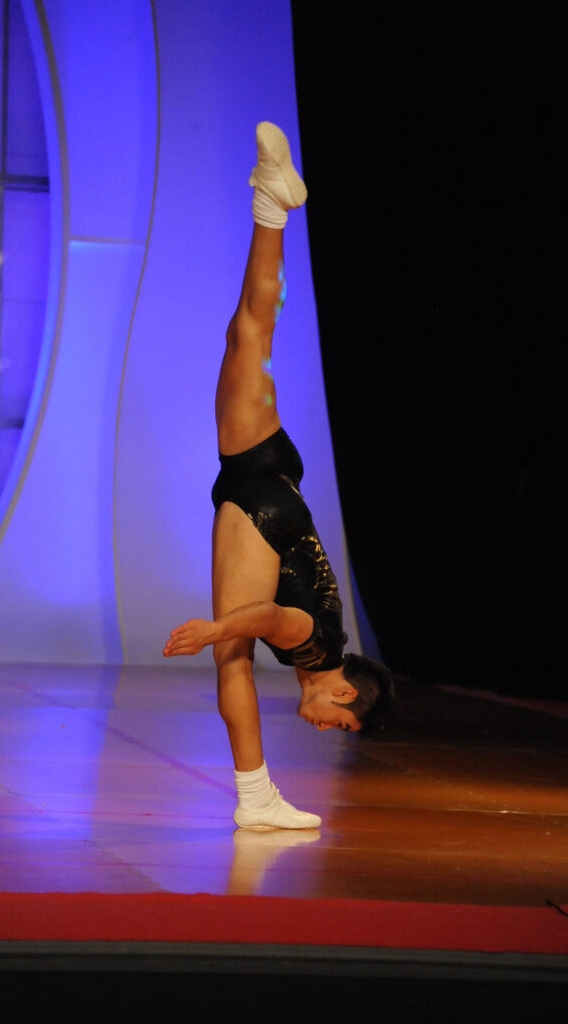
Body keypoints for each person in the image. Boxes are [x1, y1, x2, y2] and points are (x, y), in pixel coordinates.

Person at [164, 122, 393, 829]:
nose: (325, 728)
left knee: (247, 333)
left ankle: (271, 203)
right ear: (345, 694)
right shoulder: (316, 648)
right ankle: (256, 797)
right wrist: (216, 629)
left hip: (271, 480)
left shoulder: (327, 642)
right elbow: (272, 619)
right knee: (232, 660)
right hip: (261, 502)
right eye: (339, 724)